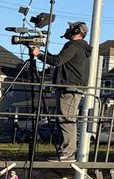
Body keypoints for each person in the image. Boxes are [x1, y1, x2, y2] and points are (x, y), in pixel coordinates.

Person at [31, 20, 91, 161]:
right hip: (71, 88)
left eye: (70, 28)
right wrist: (42, 53)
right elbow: (59, 60)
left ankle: (68, 152)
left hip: (69, 88)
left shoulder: (73, 45)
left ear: (76, 31)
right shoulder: (81, 48)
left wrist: (38, 54)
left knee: (66, 119)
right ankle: (65, 151)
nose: (67, 30)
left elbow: (57, 61)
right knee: (64, 118)